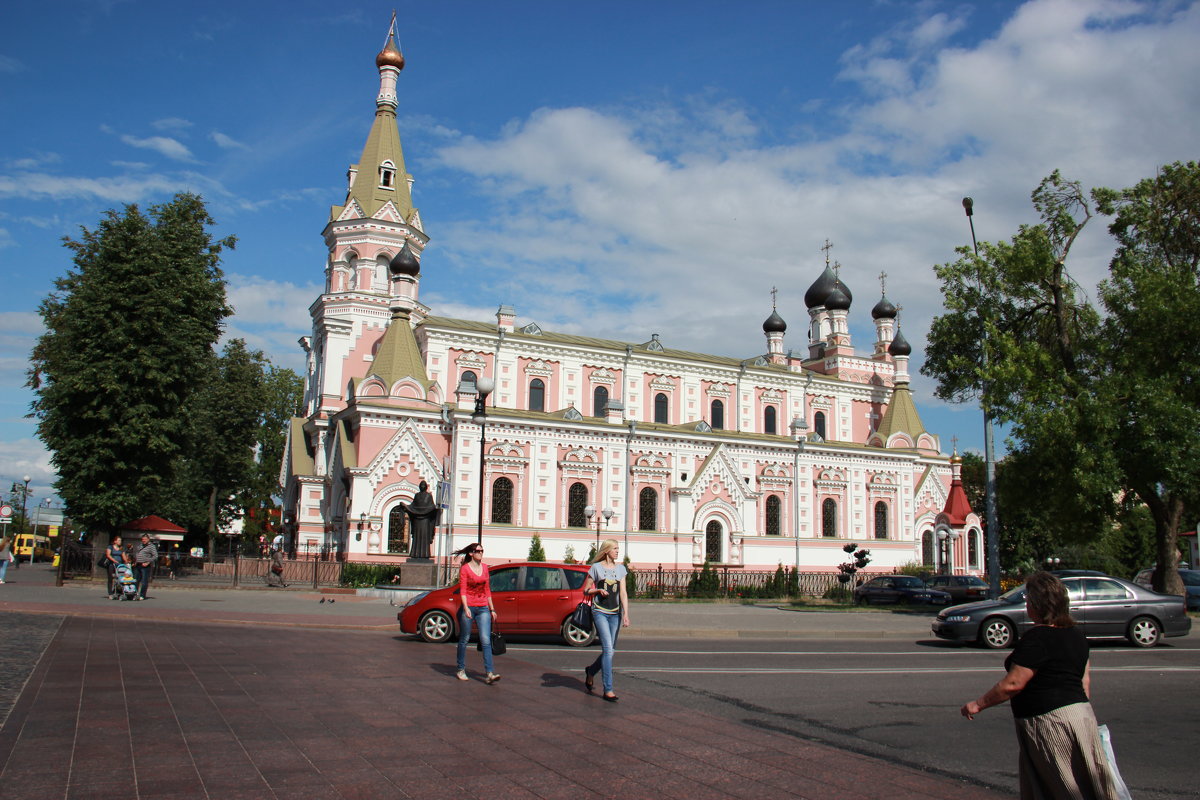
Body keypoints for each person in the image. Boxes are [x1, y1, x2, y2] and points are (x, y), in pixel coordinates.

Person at [961, 571, 1118, 799]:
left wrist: (978, 704)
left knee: (1060, 788)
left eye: (1028, 600)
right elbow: (1084, 682)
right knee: (1087, 787)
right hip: (1081, 718)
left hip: (1050, 722)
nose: (1027, 606)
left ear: (1037, 605)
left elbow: (1013, 684)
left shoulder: (1038, 638)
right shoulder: (1077, 636)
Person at [581, 539, 630, 702]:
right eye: (615, 548)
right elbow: (586, 590)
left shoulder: (621, 569)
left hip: (615, 613)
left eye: (618, 548)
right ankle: (608, 689)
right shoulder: (596, 568)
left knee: (610, 651)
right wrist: (598, 590)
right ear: (607, 550)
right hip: (600, 612)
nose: (617, 551)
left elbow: (623, 593)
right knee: (608, 650)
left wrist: (626, 614)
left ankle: (591, 671)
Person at [454, 543, 499, 684]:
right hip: (470, 606)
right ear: (471, 554)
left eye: (482, 551)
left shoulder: (485, 568)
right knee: (465, 639)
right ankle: (461, 669)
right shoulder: (465, 569)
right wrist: (466, 607)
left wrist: (492, 609)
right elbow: (463, 590)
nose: (480, 553)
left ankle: (489, 673)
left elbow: (487, 590)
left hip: (483, 607)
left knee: (485, 640)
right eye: (477, 551)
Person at [400, 481, 440, 559]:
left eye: (423, 485)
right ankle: (415, 554)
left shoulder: (429, 496)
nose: (422, 486)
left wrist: (436, 509)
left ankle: (425, 554)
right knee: (416, 538)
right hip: (417, 521)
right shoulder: (417, 495)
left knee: (424, 538)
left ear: (426, 487)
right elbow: (413, 506)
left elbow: (432, 507)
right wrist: (405, 506)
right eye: (421, 485)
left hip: (425, 521)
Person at [133, 534, 158, 600]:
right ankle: (134, 594)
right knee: (135, 580)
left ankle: (142, 595)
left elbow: (155, 556)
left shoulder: (151, 546)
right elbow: (137, 553)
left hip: (145, 565)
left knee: (144, 581)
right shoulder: (140, 545)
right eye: (142, 539)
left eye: (145, 539)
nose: (143, 540)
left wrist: (148, 562)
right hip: (138, 564)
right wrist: (135, 561)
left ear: (148, 539)